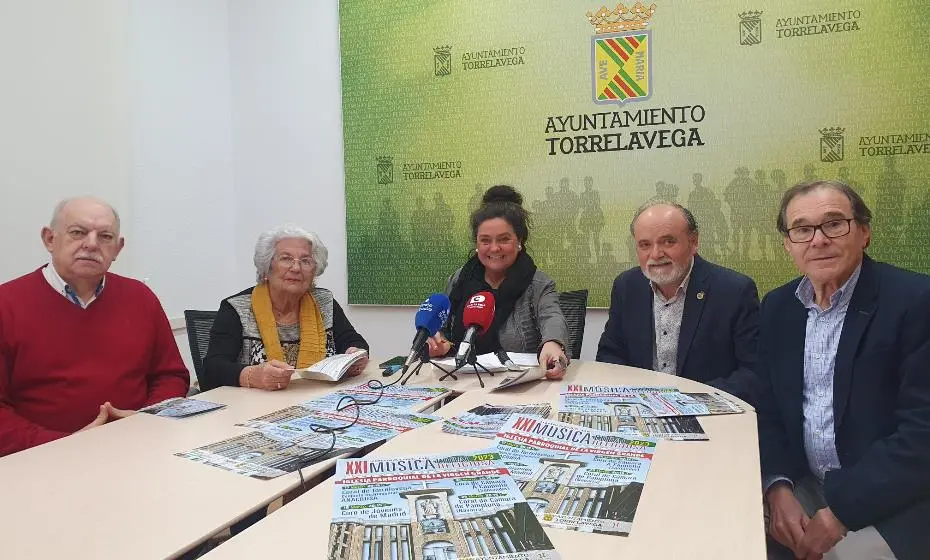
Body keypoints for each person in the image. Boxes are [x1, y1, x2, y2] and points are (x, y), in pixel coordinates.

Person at [758, 180, 930, 560]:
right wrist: (777, 485)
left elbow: (923, 433)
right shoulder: (777, 308)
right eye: (802, 229)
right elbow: (766, 407)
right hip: (804, 484)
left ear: (864, 232)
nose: (818, 240)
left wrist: (842, 512)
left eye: (834, 224)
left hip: (897, 498)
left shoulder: (916, 301)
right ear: (788, 244)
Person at [0, 197, 189, 457]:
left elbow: (171, 375)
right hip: (41, 462)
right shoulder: (6, 305)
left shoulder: (140, 297)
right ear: (49, 239)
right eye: (77, 232)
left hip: (137, 450)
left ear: (118, 249)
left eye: (105, 236)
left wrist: (145, 419)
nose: (91, 244)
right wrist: (67, 444)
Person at [596, 201, 759, 403]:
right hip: (641, 408)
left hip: (708, 413)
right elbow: (610, 353)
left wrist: (686, 401)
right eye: (645, 244)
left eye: (668, 242)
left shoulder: (734, 291)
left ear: (693, 242)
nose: (655, 254)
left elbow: (753, 373)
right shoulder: (626, 286)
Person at [202, 225, 369, 392]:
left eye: (305, 261)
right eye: (286, 258)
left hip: (319, 400)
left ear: (314, 272)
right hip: (255, 406)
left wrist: (355, 354)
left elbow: (352, 340)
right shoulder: (236, 308)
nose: (296, 268)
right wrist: (253, 376)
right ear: (267, 267)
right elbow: (212, 370)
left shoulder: (324, 302)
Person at [427, 185, 570, 379]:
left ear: (519, 241)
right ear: (476, 244)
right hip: (461, 382)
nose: (494, 248)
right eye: (485, 241)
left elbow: (552, 318)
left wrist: (553, 343)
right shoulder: (459, 279)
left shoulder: (538, 284)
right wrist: (438, 342)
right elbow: (441, 329)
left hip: (519, 387)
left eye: (503, 239)